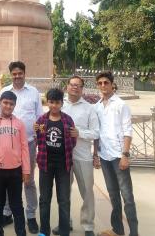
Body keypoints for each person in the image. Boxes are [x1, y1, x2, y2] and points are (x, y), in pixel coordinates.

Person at [0, 61, 42, 234]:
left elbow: (39, 117)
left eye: (19, 73)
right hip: (8, 145)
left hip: (29, 143)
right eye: (14, 74)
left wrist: (39, 140)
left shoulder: (33, 92)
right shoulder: (5, 92)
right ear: (11, 75)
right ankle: (7, 213)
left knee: (28, 180)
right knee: (8, 179)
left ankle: (30, 215)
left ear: (24, 73)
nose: (17, 76)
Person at [53, 76, 99, 236]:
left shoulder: (89, 109)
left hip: (82, 156)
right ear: (67, 86)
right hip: (62, 156)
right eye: (72, 85)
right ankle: (65, 223)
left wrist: (80, 133)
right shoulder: (60, 105)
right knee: (63, 192)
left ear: (82, 89)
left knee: (87, 192)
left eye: (78, 86)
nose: (75, 88)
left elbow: (96, 132)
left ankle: (88, 226)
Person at [94, 71, 139, 236]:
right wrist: (95, 154)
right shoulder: (97, 106)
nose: (103, 86)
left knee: (127, 196)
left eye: (106, 82)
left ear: (112, 84)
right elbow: (97, 133)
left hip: (119, 157)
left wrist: (125, 155)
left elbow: (128, 131)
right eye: (100, 83)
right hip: (105, 156)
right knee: (113, 195)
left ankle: (134, 232)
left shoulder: (121, 105)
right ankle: (117, 229)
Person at [0, 91, 30, 236]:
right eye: (5, 103)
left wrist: (26, 170)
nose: (8, 106)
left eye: (11, 104)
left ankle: (21, 232)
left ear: (15, 106)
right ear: (0, 103)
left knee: (17, 205)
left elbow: (24, 147)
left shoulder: (19, 124)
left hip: (15, 171)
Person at [35, 88, 76, 236]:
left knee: (64, 200)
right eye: (51, 102)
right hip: (46, 164)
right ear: (47, 102)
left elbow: (73, 141)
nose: (54, 106)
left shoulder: (67, 120)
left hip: (63, 165)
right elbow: (38, 140)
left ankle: (64, 231)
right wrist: (37, 131)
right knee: (44, 199)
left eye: (57, 103)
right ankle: (44, 231)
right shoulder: (41, 120)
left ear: (61, 103)